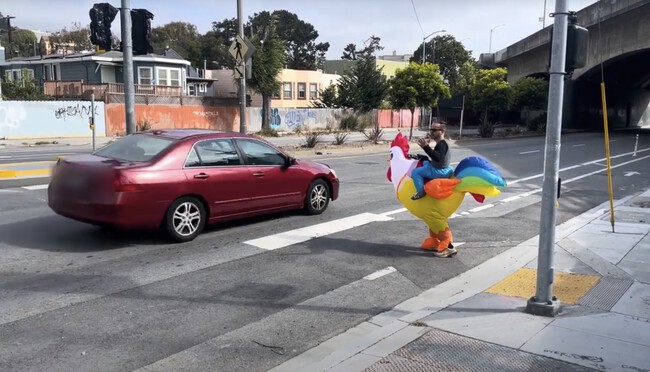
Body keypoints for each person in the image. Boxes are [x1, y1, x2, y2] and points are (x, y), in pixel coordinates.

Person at [411, 122, 453, 200]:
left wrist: (426, 147)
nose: (431, 132)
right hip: (441, 168)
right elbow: (436, 156)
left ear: (442, 131)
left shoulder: (442, 144)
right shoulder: (442, 143)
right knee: (425, 162)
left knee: (415, 172)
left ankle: (421, 192)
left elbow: (438, 158)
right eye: (431, 130)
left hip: (439, 171)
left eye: (434, 130)